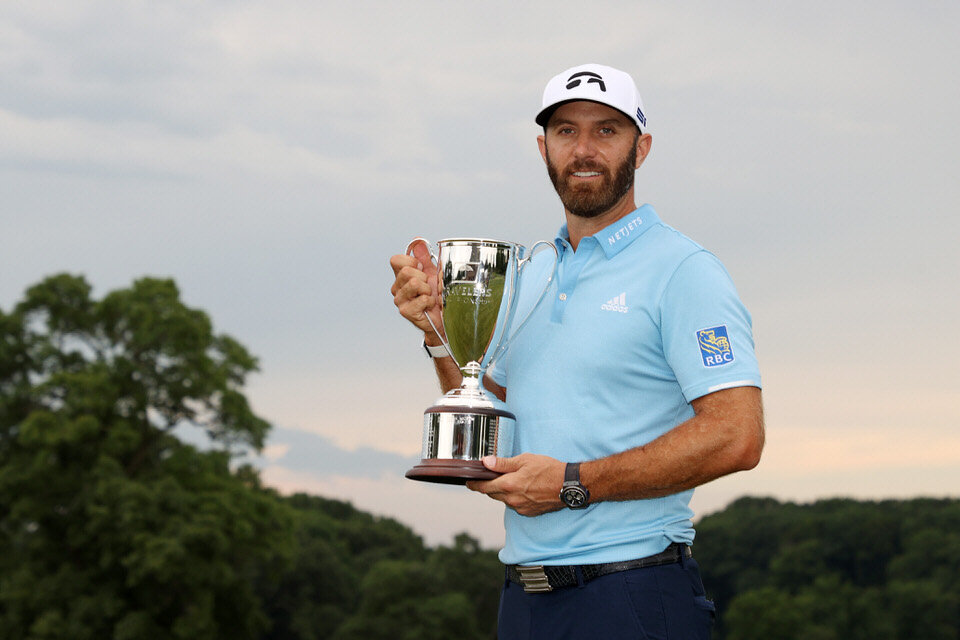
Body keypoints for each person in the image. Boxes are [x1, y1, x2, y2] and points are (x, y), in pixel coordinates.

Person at [389, 63, 764, 640]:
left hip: (631, 595)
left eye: (606, 131)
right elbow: (498, 415)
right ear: (543, 148)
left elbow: (737, 435)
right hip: (523, 598)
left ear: (641, 149)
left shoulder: (685, 271)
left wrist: (573, 481)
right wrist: (439, 333)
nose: (584, 149)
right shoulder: (530, 271)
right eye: (566, 131)